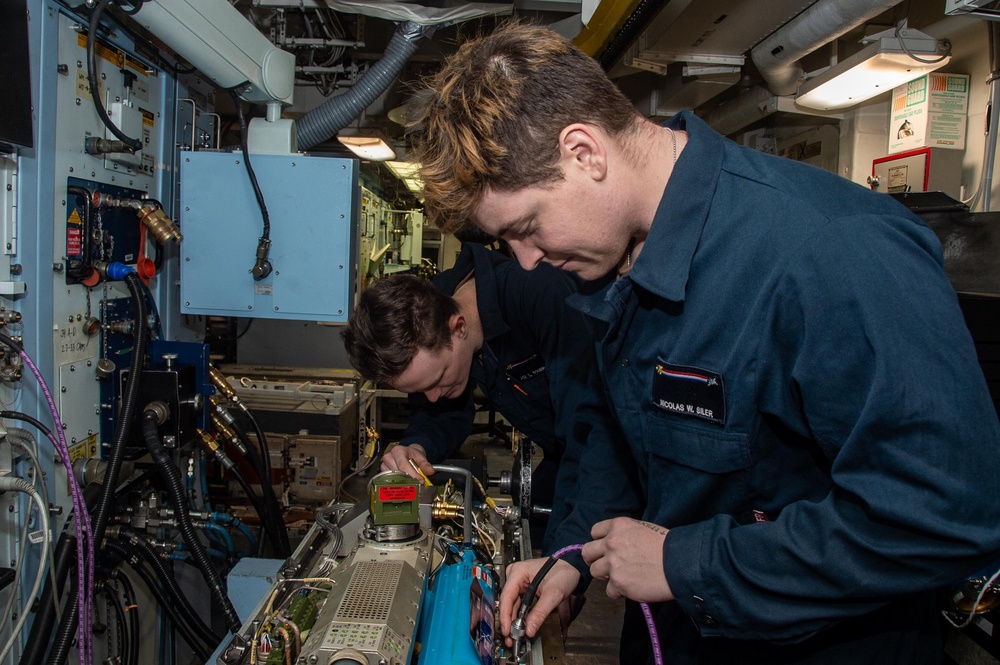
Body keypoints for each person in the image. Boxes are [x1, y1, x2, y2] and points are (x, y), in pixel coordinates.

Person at [408, 21, 1000, 664]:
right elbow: (622, 427)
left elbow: (941, 515)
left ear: (585, 151)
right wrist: (573, 554)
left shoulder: (832, 253)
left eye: (526, 227)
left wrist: (683, 562)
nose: (523, 262)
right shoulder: (614, 266)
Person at [341, 241, 625, 553]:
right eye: (420, 391)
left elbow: (590, 428)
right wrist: (417, 446)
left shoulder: (538, 294)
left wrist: (563, 559)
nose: (433, 397)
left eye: (437, 380)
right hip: (567, 447)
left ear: (458, 327)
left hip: (621, 442)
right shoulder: (429, 315)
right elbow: (440, 413)